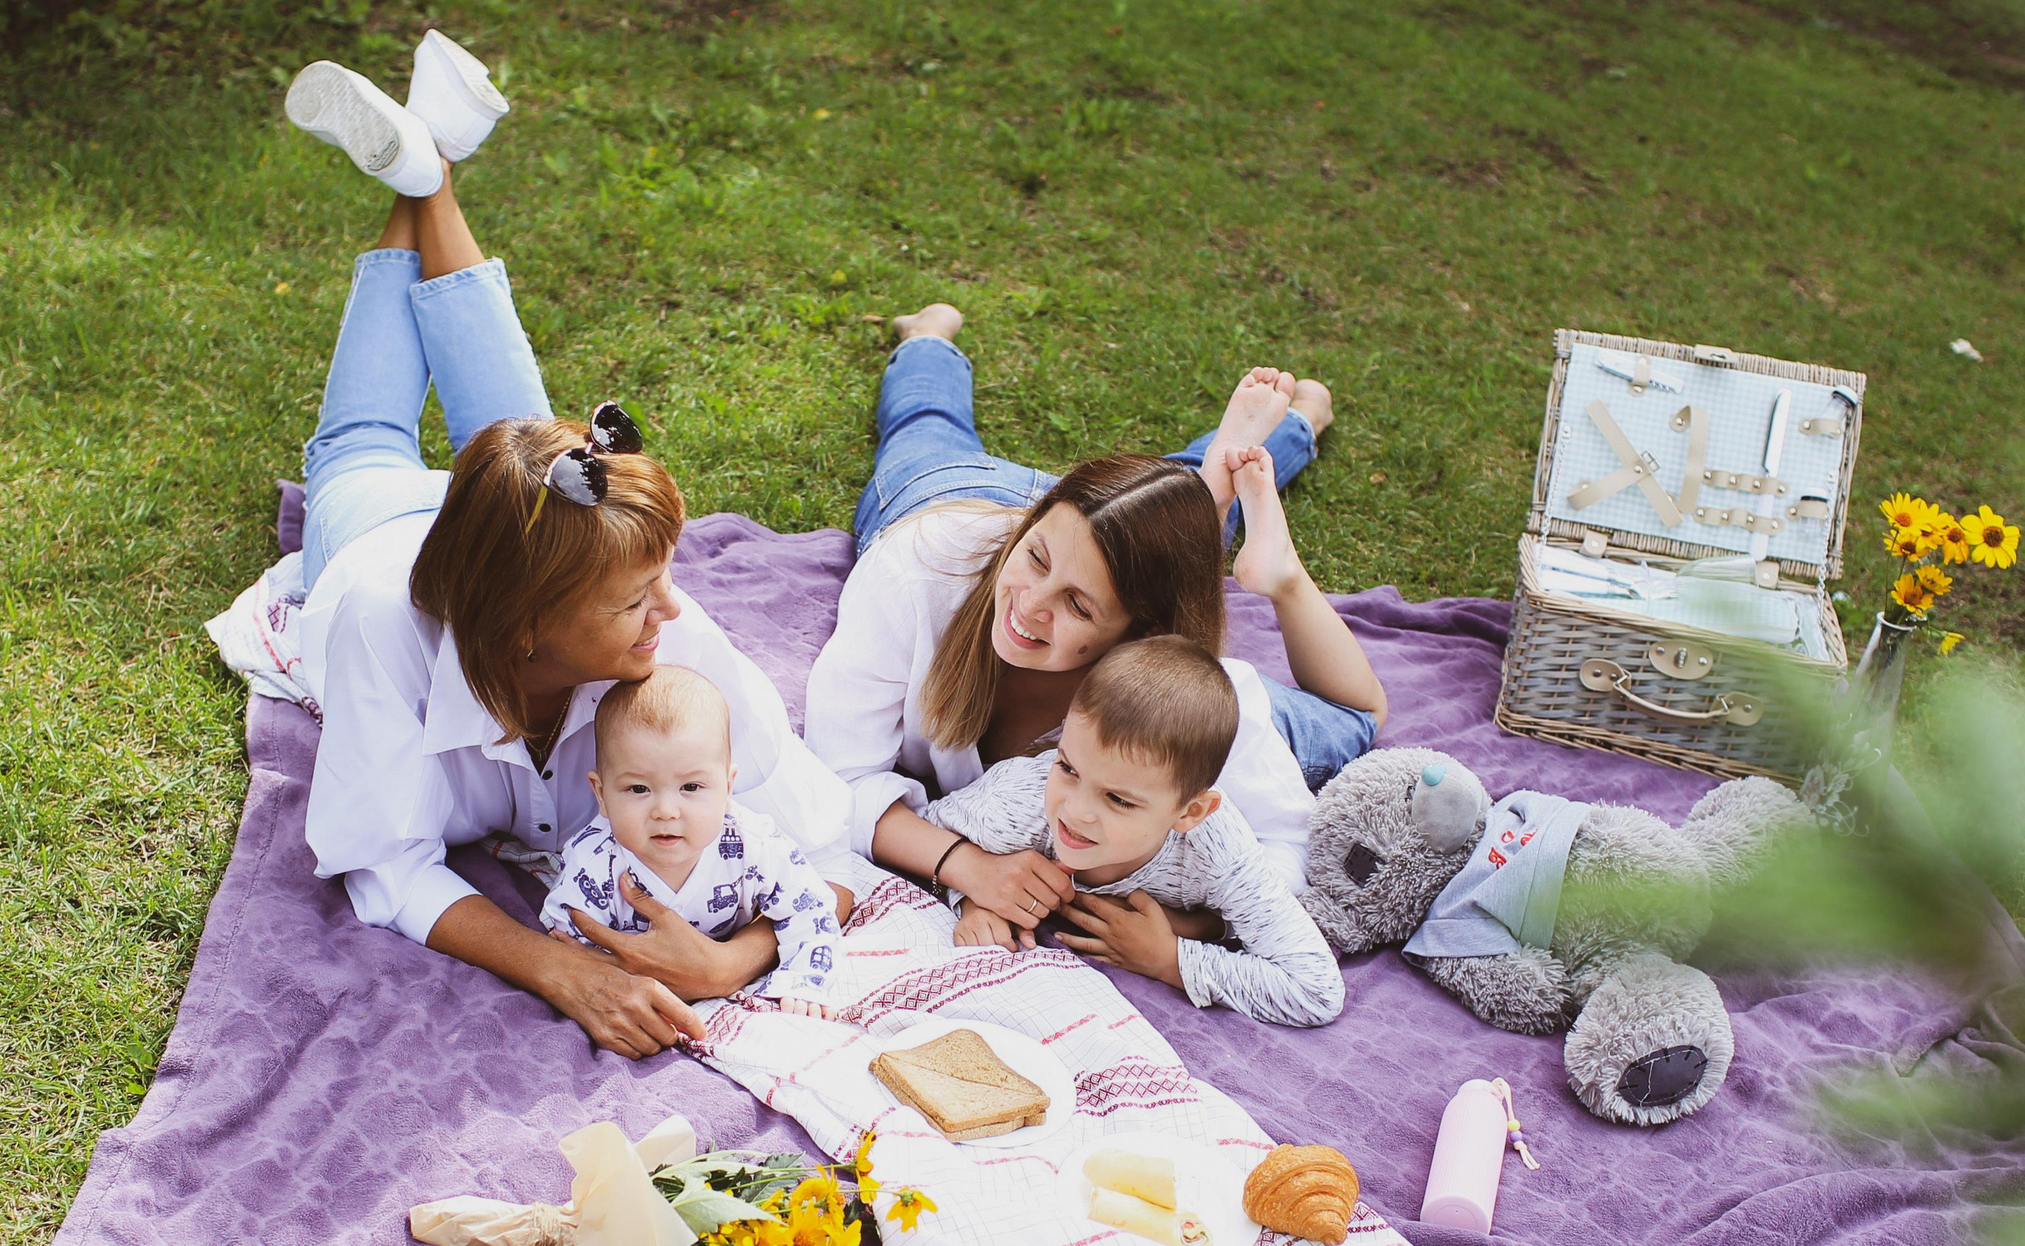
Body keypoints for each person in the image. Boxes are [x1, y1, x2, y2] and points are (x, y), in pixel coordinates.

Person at [279, 39, 853, 1059]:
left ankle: (428, 174)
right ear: (526, 628)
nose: (671, 614)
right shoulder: (384, 628)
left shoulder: (658, 639)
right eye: (634, 602)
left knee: (526, 438)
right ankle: (428, 170)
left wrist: (731, 963)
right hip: (376, 530)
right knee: (358, 444)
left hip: (526, 514)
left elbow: (820, 834)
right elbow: (380, 860)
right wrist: (557, 965)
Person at [807, 304, 1391, 951]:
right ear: (1030, 527)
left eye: (1078, 607)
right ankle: (928, 336)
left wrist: (1188, 932)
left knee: (1347, 714)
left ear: (1137, 634)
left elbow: (1289, 844)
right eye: (1034, 563)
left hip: (1087, 533)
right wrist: (969, 868)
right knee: (926, 423)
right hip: (946, 497)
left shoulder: (1174, 687)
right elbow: (836, 783)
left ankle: (1282, 442)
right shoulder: (913, 574)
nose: (1029, 607)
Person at [918, 637, 1345, 1029]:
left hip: (1296, 735)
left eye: (1119, 800)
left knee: (1354, 719)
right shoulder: (1020, 799)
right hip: (1197, 715)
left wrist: (1168, 959)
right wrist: (976, 895)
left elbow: (1317, 989)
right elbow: (928, 828)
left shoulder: (1216, 851)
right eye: (1067, 767)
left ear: (1191, 812)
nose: (1075, 812)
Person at [540, 668, 840, 1018]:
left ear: (728, 788)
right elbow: (564, 941)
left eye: (691, 788)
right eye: (639, 789)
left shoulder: (755, 846)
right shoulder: (593, 863)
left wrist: (805, 978)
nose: (666, 811)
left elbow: (811, 906)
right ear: (602, 795)